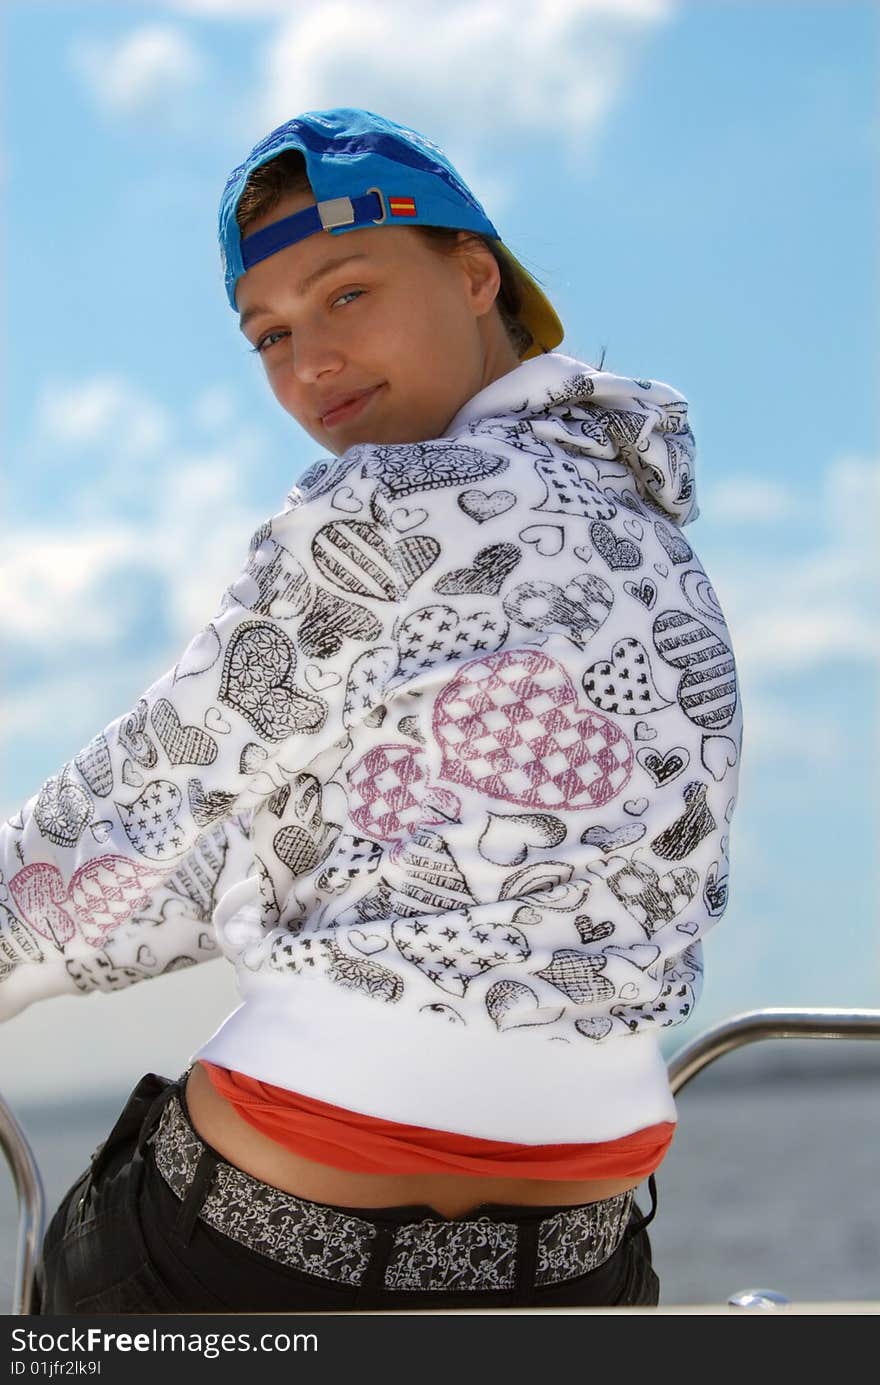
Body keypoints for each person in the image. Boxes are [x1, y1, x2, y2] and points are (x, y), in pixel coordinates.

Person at [1, 107, 742, 1314]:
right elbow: (248, 842)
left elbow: (157, 791)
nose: (309, 364)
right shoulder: (656, 544)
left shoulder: (380, 508)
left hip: (261, 1246)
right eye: (271, 334)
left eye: (345, 294)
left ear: (473, 270)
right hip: (575, 1263)